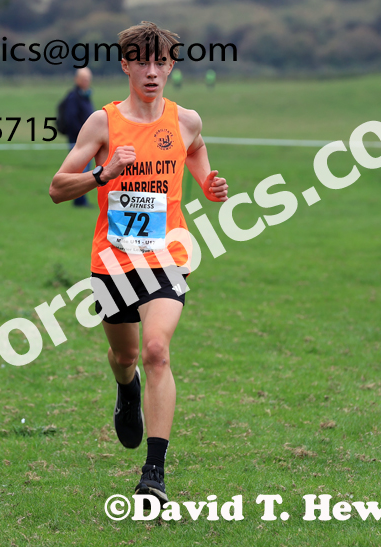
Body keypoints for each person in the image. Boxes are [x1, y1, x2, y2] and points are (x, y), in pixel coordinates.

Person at [49, 21, 228, 505]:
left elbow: (198, 155)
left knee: (156, 351)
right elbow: (57, 188)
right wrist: (104, 172)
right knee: (126, 357)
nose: (152, 71)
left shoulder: (185, 120)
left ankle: (154, 473)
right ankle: (125, 390)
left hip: (167, 258)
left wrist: (209, 183)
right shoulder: (103, 123)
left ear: (170, 65)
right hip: (113, 264)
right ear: (125, 64)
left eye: (160, 62)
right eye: (141, 61)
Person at [63, 68, 95, 208]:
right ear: (77, 80)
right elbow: (70, 118)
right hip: (78, 139)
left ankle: (81, 198)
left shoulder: (85, 95)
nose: (86, 81)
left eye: (88, 79)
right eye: (83, 79)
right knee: (80, 170)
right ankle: (79, 199)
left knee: (86, 168)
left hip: (88, 140)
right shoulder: (74, 97)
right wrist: (83, 134)